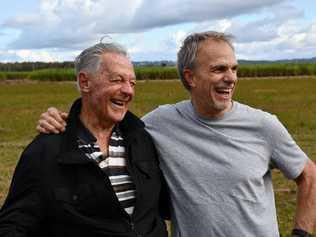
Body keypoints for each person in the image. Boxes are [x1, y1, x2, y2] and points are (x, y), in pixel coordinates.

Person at [36, 31, 316, 237]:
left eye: (233, 68)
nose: (230, 77)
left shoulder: (264, 125)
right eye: (219, 69)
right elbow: (105, 122)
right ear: (190, 77)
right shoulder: (160, 122)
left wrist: (301, 234)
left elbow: (309, 175)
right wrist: (61, 119)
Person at [0, 42, 169, 236]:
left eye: (132, 83)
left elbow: (162, 208)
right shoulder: (46, 150)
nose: (128, 91)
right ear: (84, 82)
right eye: (117, 80)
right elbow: (13, 225)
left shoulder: (142, 139)